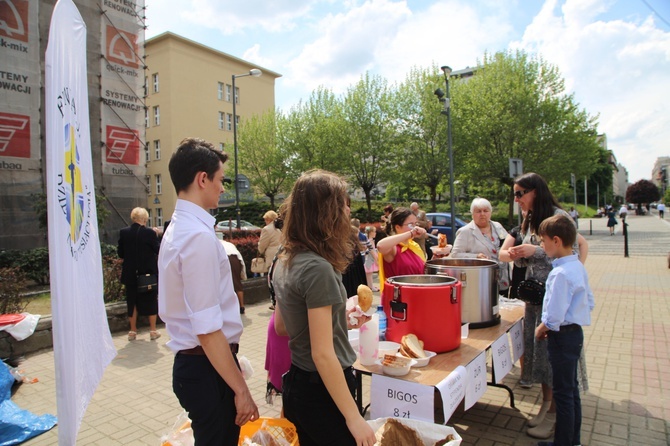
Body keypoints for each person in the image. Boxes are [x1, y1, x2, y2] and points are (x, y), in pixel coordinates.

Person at [158, 137, 258, 444]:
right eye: (219, 179)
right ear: (203, 179)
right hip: (205, 366)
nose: (222, 187)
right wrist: (241, 389)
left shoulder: (183, 228)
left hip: (204, 364)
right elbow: (207, 328)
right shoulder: (196, 236)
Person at [272, 169, 376, 446]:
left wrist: (337, 318)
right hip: (324, 390)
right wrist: (354, 418)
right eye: (343, 203)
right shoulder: (317, 268)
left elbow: (284, 326)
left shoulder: (285, 259)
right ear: (327, 212)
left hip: (298, 385)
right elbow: (322, 354)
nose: (346, 210)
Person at [498, 172, 588, 441]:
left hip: (554, 302)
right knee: (541, 358)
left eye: (519, 194)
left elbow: (577, 247)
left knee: (553, 360)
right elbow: (512, 252)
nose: (516, 200)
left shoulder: (557, 216)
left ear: (534, 191)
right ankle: (546, 406)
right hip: (535, 299)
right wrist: (519, 254)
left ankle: (555, 415)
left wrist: (572, 275)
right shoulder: (527, 220)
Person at [535, 214, 595, 446]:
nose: (542, 245)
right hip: (574, 333)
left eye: (543, 240)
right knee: (571, 391)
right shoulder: (576, 266)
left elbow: (554, 313)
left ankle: (563, 443)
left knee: (563, 393)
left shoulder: (560, 273)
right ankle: (572, 440)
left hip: (561, 336)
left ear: (557, 241)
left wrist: (542, 328)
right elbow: (589, 301)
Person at [118, 207, 161, 341]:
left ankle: (132, 331)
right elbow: (158, 249)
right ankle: (153, 331)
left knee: (132, 301)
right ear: (144, 219)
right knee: (150, 300)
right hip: (147, 274)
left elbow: (120, 253)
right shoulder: (149, 233)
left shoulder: (124, 233)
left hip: (130, 273)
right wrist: (157, 235)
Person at [451, 197, 510, 294]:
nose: (482, 214)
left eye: (485, 211)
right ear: (472, 214)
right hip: (481, 281)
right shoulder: (465, 231)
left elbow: (507, 243)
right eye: (478, 211)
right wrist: (476, 257)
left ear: (490, 212)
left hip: (503, 279)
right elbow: (455, 254)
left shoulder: (497, 226)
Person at [377, 207, 427, 291]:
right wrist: (411, 233)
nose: (415, 228)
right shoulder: (394, 248)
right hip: (400, 299)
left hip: (416, 295)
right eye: (411, 225)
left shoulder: (413, 246)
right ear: (397, 227)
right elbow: (380, 246)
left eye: (416, 224)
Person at [220, 237, 246, 314]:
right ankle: (242, 306)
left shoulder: (214, 243)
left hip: (224, 259)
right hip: (235, 259)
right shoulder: (229, 244)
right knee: (237, 283)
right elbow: (240, 257)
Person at [257, 210, 282, 275]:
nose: (265, 221)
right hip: (282, 255)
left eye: (265, 220)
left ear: (268, 219)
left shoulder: (266, 229)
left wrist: (260, 251)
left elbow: (262, 246)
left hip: (271, 258)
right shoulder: (280, 227)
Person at [363, 226, 380, 292]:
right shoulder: (370, 241)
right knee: (369, 274)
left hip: (370, 259)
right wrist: (376, 259)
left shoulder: (370, 240)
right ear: (370, 232)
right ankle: (370, 286)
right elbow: (372, 251)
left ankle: (370, 285)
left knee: (369, 274)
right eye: (374, 231)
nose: (375, 233)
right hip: (370, 260)